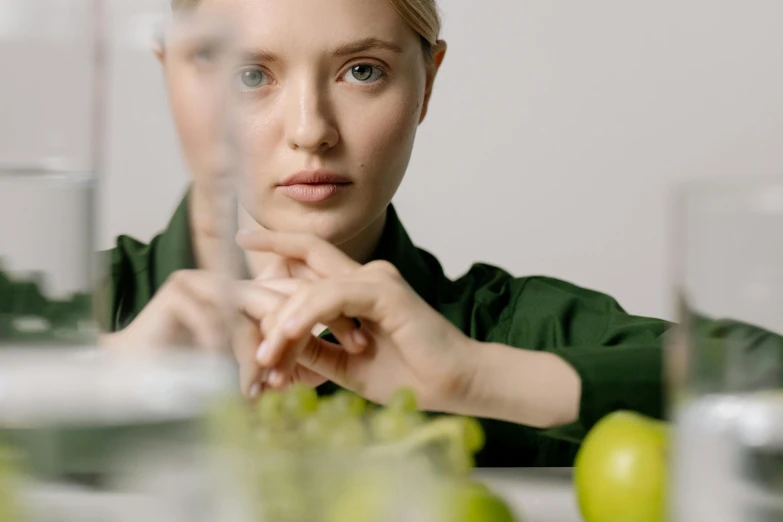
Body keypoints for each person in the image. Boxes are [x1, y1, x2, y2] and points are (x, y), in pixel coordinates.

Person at [91, 0, 673, 466]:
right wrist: (96, 381)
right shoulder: (82, 308)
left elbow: (756, 379)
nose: (310, 129)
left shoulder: (507, 334)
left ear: (427, 82)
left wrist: (478, 377)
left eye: (362, 71)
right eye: (251, 75)